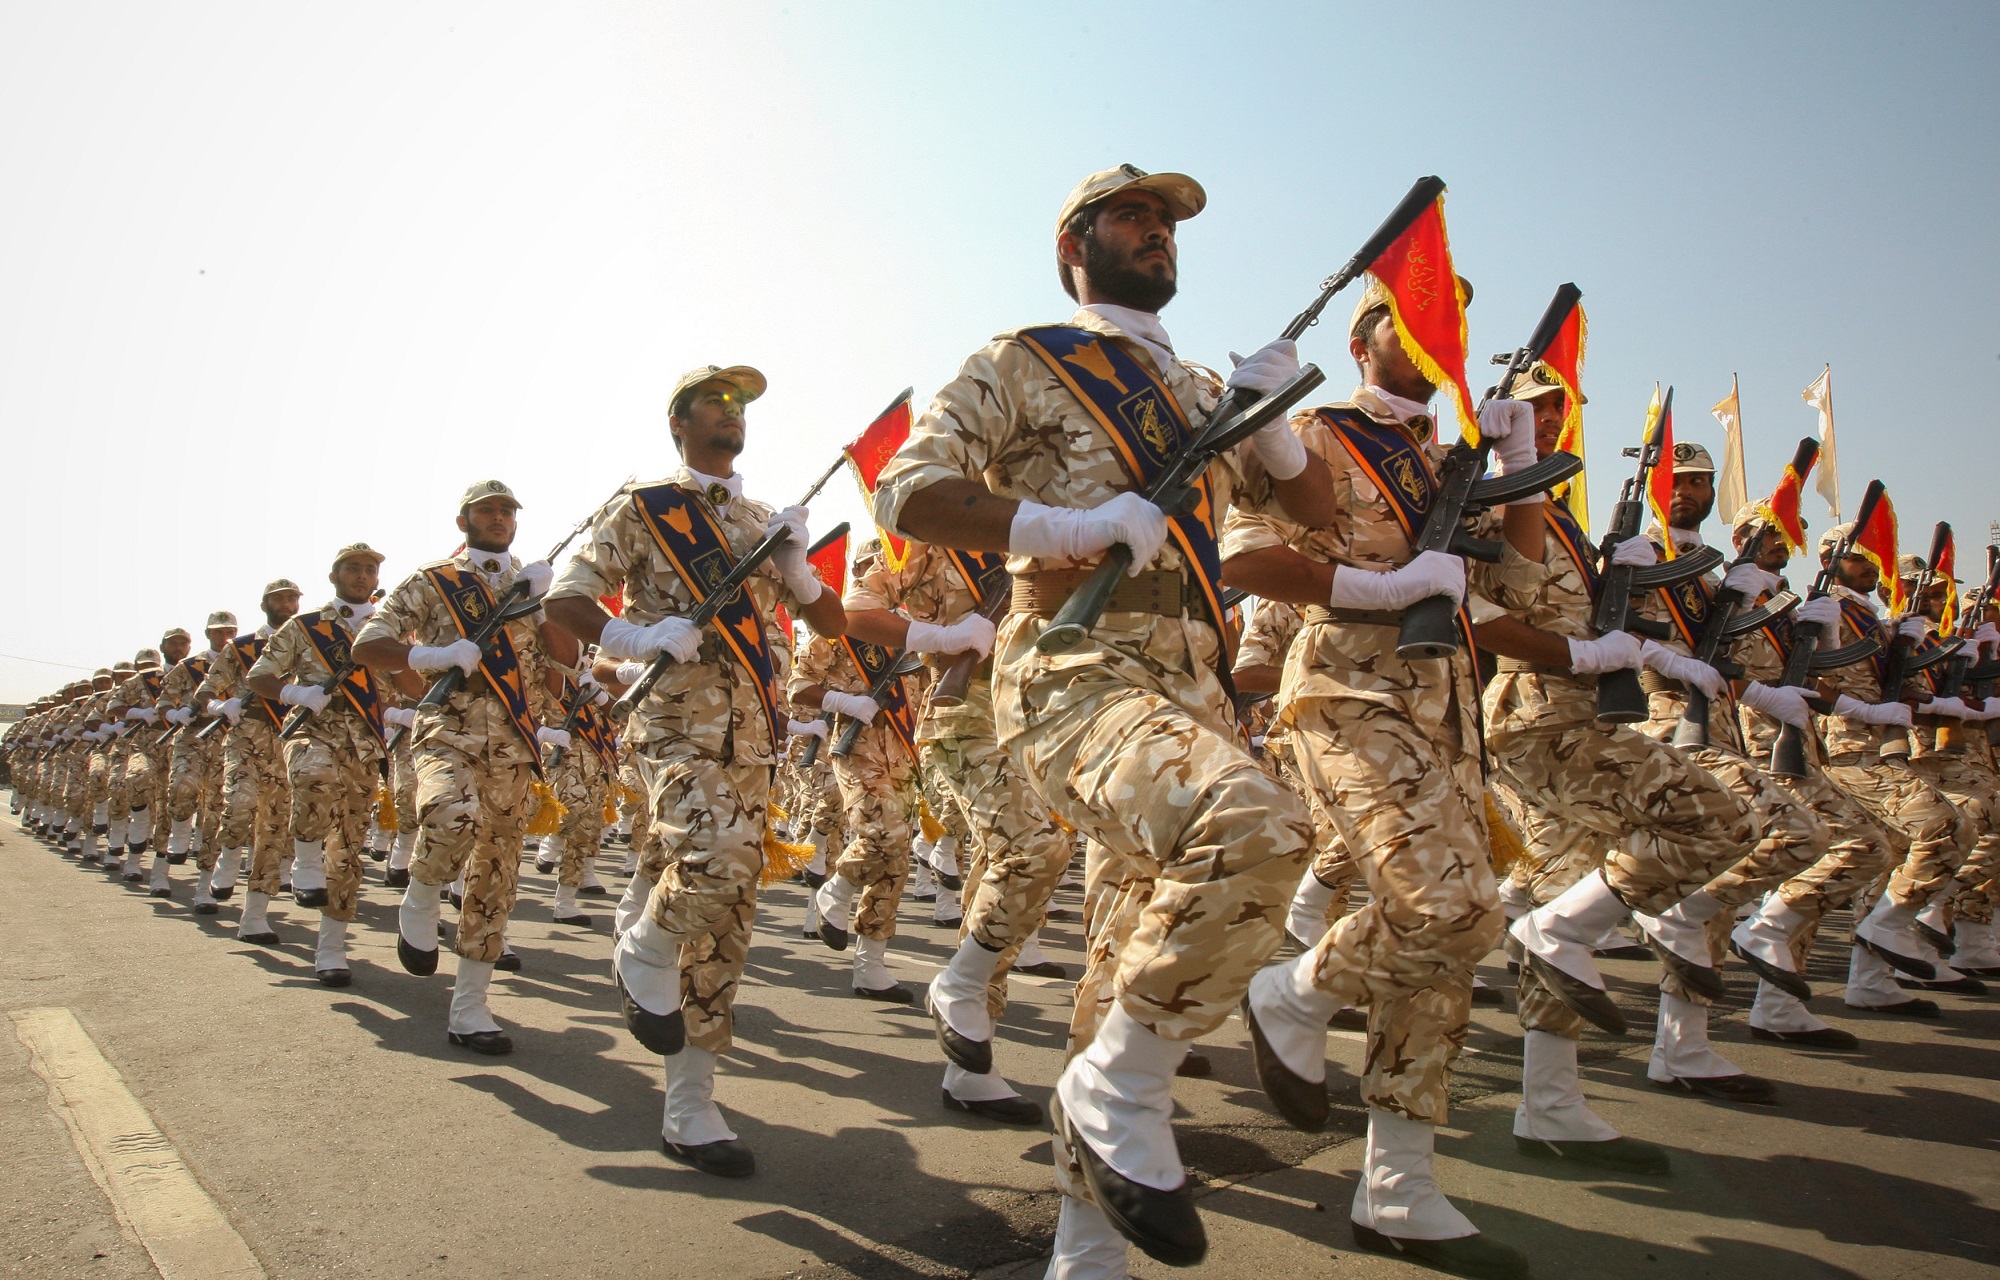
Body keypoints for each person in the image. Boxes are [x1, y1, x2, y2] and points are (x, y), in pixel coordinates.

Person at [870, 165, 1333, 1273]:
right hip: (1074, 666)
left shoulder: (1206, 389)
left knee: (1128, 957)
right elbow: (905, 490)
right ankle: (1116, 1088)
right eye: (1132, 216)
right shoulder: (1026, 359)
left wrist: (1275, 434)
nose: (1157, 232)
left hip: (1189, 689)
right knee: (1257, 826)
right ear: (1072, 246)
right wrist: (1064, 526)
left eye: (1166, 221)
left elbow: (1314, 515)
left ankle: (1085, 1248)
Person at [1226, 281, 1541, 1276]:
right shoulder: (1319, 434)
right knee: (1445, 903)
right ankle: (1291, 993)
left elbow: (1520, 579)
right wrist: (1381, 584)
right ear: (1364, 339)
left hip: (1446, 711)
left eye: (1447, 319)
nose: (1434, 333)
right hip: (1348, 693)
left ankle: (1397, 1180)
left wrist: (1520, 465)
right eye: (1411, 315)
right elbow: (1244, 559)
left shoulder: (1449, 463)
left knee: (1452, 933)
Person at [546, 364, 845, 1177]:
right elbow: (567, 602)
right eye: (715, 400)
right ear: (678, 421)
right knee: (719, 859)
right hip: (677, 724)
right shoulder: (644, 506)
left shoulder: (761, 520)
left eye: (740, 403)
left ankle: (690, 1105)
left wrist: (800, 567)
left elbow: (830, 621)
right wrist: (635, 637)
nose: (732, 411)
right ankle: (642, 949)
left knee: (726, 920)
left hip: (755, 742)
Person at [355, 481, 572, 1054]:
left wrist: (545, 605)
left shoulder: (533, 587)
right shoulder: (435, 581)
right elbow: (368, 645)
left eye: (506, 512)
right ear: (464, 522)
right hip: (447, 727)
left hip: (514, 746)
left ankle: (471, 1007)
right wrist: (429, 654)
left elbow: (566, 662)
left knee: (497, 875)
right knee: (450, 815)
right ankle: (422, 896)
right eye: (486, 511)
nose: (498, 519)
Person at [246, 544, 392, 986]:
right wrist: (294, 693)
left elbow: (407, 682)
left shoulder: (388, 629)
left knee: (348, 849)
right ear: (334, 577)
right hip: (313, 729)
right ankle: (305, 861)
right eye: (353, 568)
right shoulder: (306, 626)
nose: (362, 576)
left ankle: (331, 949)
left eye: (369, 570)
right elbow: (259, 675)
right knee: (314, 777)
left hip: (364, 743)